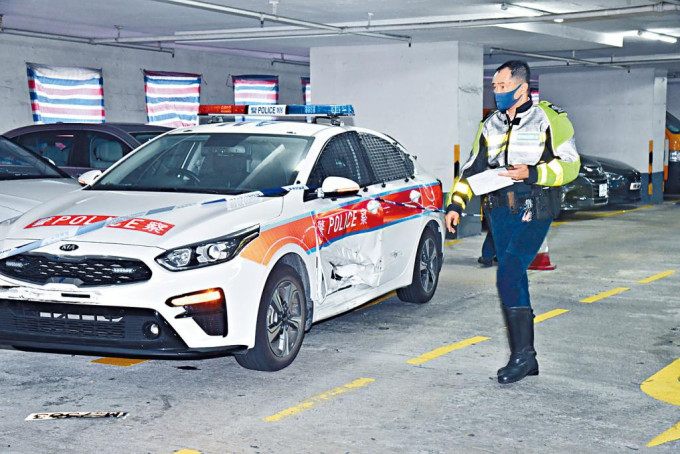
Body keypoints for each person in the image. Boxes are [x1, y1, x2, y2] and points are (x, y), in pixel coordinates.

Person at [445, 60, 580, 384]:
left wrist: (533, 173)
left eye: (503, 87)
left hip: (534, 208)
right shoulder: (489, 124)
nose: (498, 92)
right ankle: (527, 356)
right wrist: (455, 203)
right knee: (513, 276)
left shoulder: (550, 118)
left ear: (522, 87)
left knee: (507, 273)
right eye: (495, 87)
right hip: (499, 212)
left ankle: (522, 356)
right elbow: (472, 169)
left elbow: (571, 165)